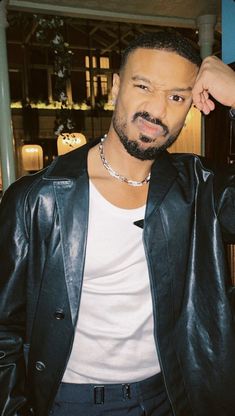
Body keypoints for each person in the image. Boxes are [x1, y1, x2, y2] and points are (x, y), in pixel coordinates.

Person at [0, 31, 235, 416]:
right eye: (143, 86)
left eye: (176, 96)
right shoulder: (36, 198)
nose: (157, 110)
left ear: (192, 104)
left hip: (172, 397)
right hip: (70, 402)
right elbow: (3, 331)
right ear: (114, 88)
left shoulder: (198, 188)